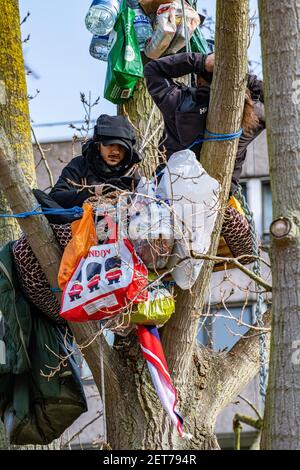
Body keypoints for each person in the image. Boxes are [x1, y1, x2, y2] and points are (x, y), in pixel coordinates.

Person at [144, 52, 265, 195]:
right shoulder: (250, 115)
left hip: (172, 195)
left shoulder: (179, 102)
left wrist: (201, 61)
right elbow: (272, 96)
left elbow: (152, 69)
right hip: (217, 201)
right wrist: (240, 77)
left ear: (198, 79)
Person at [49, 114, 142, 208]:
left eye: (122, 147)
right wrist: (97, 191)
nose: (115, 151)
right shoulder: (80, 165)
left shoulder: (133, 171)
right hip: (82, 221)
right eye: (110, 145)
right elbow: (55, 198)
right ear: (98, 145)